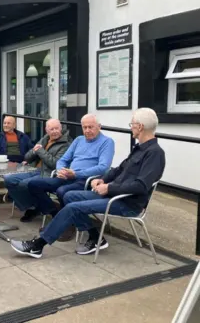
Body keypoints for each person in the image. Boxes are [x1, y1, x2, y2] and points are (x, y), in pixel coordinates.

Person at [11, 108, 165, 258]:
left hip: (125, 203)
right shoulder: (139, 149)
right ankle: (96, 237)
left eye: (132, 124)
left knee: (72, 206)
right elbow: (118, 170)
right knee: (70, 196)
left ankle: (37, 245)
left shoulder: (154, 153)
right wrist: (102, 180)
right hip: (112, 194)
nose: (131, 128)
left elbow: (140, 186)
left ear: (140, 126)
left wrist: (109, 187)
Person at [25, 114, 115, 241]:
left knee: (62, 192)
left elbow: (103, 167)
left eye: (91, 127)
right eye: (85, 127)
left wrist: (76, 173)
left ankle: (67, 225)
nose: (87, 130)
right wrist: (61, 170)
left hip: (87, 180)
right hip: (68, 176)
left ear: (99, 127)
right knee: (34, 184)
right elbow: (63, 159)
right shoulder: (78, 140)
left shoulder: (107, 142)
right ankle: (57, 216)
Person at [3, 119, 71, 222]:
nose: (54, 131)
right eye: (51, 129)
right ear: (46, 130)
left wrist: (40, 151)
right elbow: (27, 157)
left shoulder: (66, 144)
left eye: (57, 128)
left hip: (49, 173)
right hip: (34, 168)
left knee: (23, 184)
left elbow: (55, 164)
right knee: (8, 178)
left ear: (61, 128)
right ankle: (33, 206)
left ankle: (35, 208)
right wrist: (35, 152)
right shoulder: (45, 139)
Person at [0, 116, 34, 200]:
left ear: (14, 125)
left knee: (26, 177)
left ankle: (13, 194)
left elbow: (32, 150)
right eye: (4, 123)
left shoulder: (23, 136)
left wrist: (27, 160)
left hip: (20, 164)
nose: (5, 125)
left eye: (8, 123)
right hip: (4, 164)